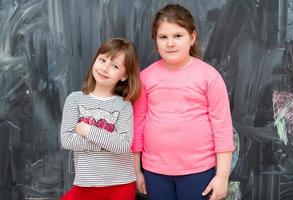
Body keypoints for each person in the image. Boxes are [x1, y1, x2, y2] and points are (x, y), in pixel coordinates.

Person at [132, 4, 235, 200]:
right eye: (163, 37)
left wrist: (222, 176)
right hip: (155, 172)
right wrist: (136, 171)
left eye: (178, 36)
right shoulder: (145, 78)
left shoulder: (209, 77)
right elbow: (137, 125)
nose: (170, 43)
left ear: (192, 37)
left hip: (198, 171)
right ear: (156, 40)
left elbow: (222, 128)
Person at [60, 38, 141, 200]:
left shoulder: (124, 106)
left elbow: (124, 145)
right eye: (102, 60)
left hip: (121, 184)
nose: (105, 68)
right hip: (86, 185)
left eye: (115, 66)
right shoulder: (75, 100)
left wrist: (87, 130)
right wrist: (109, 141)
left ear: (124, 75)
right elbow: (67, 140)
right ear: (95, 60)